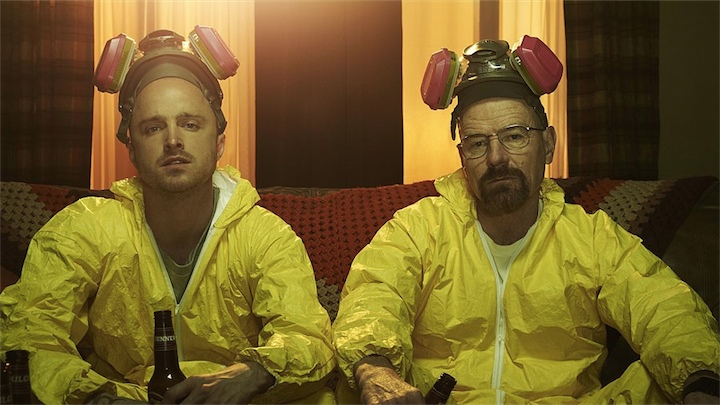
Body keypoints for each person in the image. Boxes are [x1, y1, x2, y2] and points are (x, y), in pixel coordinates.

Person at [332, 36, 719, 404]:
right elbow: (375, 297)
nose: (496, 158)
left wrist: (700, 383)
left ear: (547, 145)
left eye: (515, 136)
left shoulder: (591, 238)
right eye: (477, 143)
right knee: (347, 386)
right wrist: (376, 372)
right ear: (463, 157)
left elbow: (663, 307)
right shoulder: (418, 228)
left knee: (668, 382)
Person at [0, 27, 335, 404]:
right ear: (132, 149)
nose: (173, 140)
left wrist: (252, 374)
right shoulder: (84, 228)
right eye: (153, 127)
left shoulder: (264, 235)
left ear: (219, 142)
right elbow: (29, 335)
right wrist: (96, 397)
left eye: (190, 124)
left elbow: (307, 338)